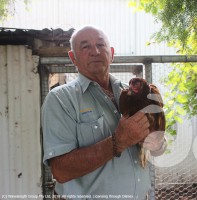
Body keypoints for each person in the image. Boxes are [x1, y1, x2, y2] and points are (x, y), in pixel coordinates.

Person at [42, 25, 166, 199]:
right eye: (85, 47)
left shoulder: (133, 92)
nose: (95, 51)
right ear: (73, 58)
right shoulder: (60, 99)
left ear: (112, 53)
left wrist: (158, 143)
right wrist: (119, 141)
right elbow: (61, 171)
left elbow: (158, 145)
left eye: (101, 45)